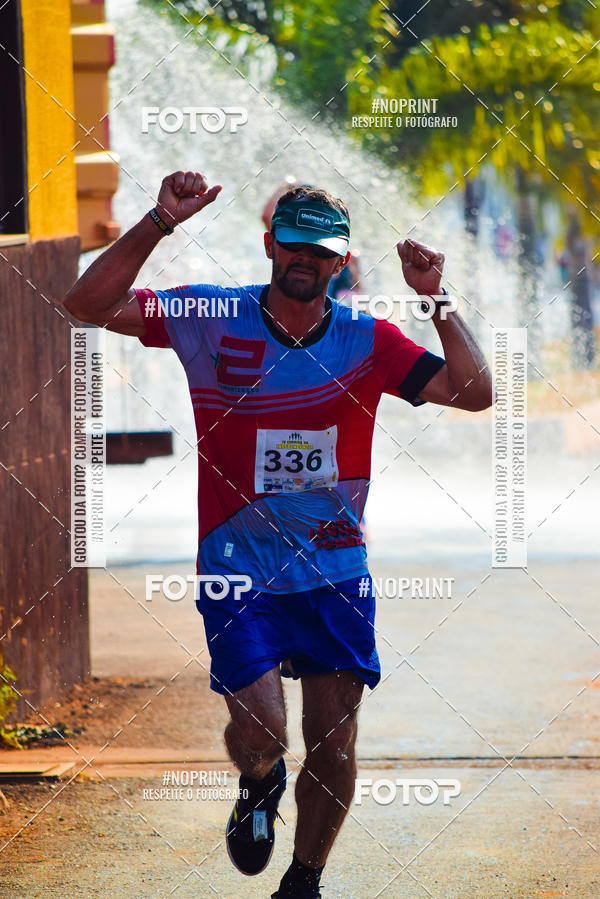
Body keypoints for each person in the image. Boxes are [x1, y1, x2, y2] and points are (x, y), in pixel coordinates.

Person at [62, 170, 493, 898]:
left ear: (340, 260)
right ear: (269, 244)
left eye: (321, 251)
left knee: (336, 738)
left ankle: (305, 879)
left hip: (334, 570)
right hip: (238, 565)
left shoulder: (368, 338)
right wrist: (159, 220)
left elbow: (477, 392)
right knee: (262, 732)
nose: (305, 259)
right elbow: (84, 304)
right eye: (292, 244)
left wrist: (437, 300)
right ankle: (259, 783)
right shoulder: (210, 315)